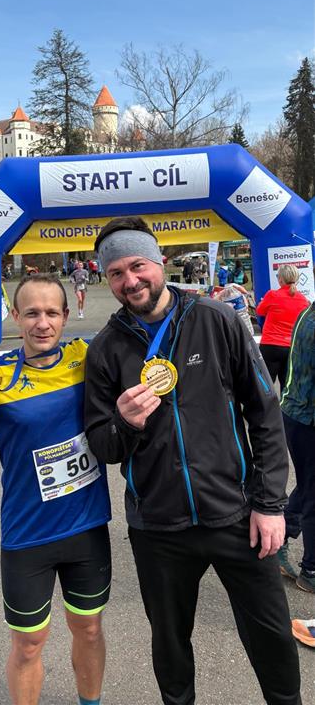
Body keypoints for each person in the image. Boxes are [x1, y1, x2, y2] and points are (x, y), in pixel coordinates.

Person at [84, 215, 301, 705]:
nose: (130, 280)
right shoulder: (106, 349)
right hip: (158, 526)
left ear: (159, 261)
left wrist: (269, 504)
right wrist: (125, 423)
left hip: (237, 515)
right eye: (116, 273)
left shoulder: (216, 319)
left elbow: (264, 412)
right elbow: (104, 446)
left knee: (271, 637)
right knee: (170, 645)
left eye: (137, 265)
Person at [0, 274, 112, 705]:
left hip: (86, 527)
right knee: (29, 644)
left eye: (51, 312)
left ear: (66, 316)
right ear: (15, 316)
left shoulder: (87, 356)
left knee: (89, 629)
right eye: (31, 313)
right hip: (27, 534)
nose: (42, 323)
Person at [277, 300, 315, 593]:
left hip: (297, 413)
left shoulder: (307, 312)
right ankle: (311, 570)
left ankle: (282, 533)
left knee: (308, 485)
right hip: (306, 418)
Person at [256, 265, 309, 390]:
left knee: (265, 386)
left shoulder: (272, 295)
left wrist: (264, 302)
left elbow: (259, 311)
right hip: (291, 347)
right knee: (287, 387)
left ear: (280, 279)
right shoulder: (303, 300)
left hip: (270, 345)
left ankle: (267, 403)